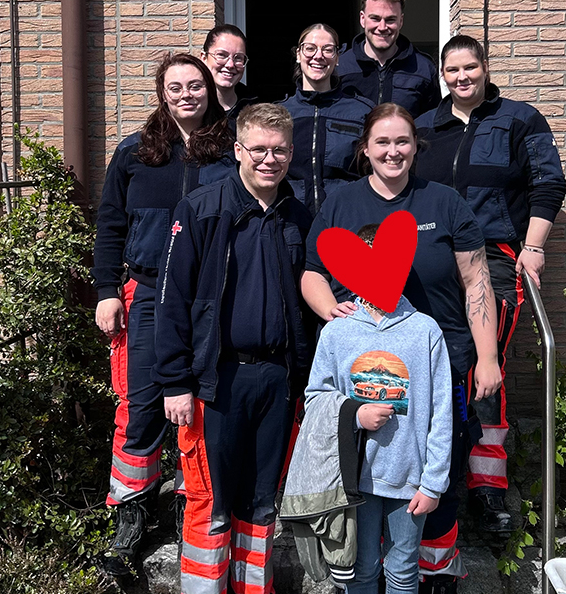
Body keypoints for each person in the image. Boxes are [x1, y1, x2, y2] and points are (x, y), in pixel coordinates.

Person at [301, 103, 501, 590]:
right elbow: (311, 272)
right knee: (367, 487)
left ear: (416, 147)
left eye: (403, 141)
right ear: (365, 149)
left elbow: (476, 279)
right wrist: (333, 311)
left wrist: (489, 357)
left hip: (441, 360)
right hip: (362, 372)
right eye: (382, 142)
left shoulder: (444, 202)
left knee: (439, 479)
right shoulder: (342, 203)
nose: (393, 151)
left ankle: (432, 578)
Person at [152, 103, 314, 594]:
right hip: (214, 381)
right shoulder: (200, 209)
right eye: (259, 149)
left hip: (278, 381)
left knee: (262, 503)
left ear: (291, 152)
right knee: (210, 501)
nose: (270, 159)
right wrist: (175, 382)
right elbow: (171, 301)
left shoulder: (300, 215)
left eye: (279, 150)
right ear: (239, 150)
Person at [414, 34, 566, 541]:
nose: (461, 78)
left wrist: (535, 246)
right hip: (433, 262)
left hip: (497, 260)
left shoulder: (521, 120)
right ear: (443, 74)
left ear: (485, 68)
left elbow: (548, 184)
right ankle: (429, 469)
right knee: (426, 365)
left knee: (484, 366)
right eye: (452, 70)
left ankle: (487, 488)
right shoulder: (423, 129)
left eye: (470, 68)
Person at [92, 52, 235, 570]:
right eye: (175, 87)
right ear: (161, 92)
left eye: (195, 85)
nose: (186, 95)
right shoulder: (134, 152)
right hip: (147, 293)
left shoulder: (229, 154)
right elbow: (109, 224)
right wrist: (107, 290)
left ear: (209, 87)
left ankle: (188, 505)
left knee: (200, 405)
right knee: (142, 402)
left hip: (210, 299)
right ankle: (131, 514)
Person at [301, 222, 454, 594]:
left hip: (410, 480)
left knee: (403, 570)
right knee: (362, 568)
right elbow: (315, 397)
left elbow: (442, 411)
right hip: (356, 481)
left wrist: (433, 483)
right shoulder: (337, 332)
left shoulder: (426, 331)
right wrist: (356, 414)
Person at [280, 23, 374, 214]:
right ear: (298, 54)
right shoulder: (279, 113)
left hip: (346, 219)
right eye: (310, 48)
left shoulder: (361, 112)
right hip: (291, 220)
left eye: (328, 50)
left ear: (337, 57)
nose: (318, 56)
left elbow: (375, 170)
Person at [336, 0, 441, 119]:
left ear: (401, 21)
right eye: (375, 18)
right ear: (362, 19)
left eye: (390, 19)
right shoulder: (340, 67)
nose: (382, 27)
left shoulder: (422, 69)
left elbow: (433, 126)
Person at [200, 24, 257, 127]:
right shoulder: (192, 107)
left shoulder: (256, 110)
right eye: (221, 55)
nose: (230, 65)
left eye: (238, 58)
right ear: (204, 58)